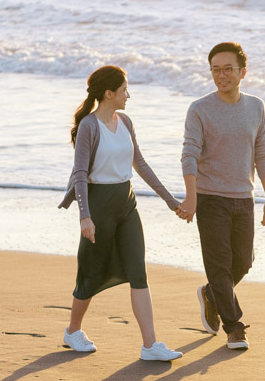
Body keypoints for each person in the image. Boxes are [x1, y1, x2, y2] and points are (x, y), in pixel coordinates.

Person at [58, 64, 183, 361]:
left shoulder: (125, 121)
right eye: (125, 89)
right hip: (98, 204)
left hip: (126, 204)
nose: (129, 95)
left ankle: (150, 345)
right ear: (109, 93)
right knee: (91, 274)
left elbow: (140, 163)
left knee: (138, 272)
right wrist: (84, 216)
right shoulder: (89, 126)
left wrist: (170, 200)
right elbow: (79, 173)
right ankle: (73, 331)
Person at [177, 42, 265, 351]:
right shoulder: (200, 109)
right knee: (219, 264)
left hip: (244, 197)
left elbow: (263, 153)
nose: (221, 75)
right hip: (210, 197)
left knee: (243, 261)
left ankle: (211, 293)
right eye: (215, 70)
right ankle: (234, 327)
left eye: (228, 69)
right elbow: (189, 154)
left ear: (242, 72)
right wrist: (191, 196)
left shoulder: (256, 107)